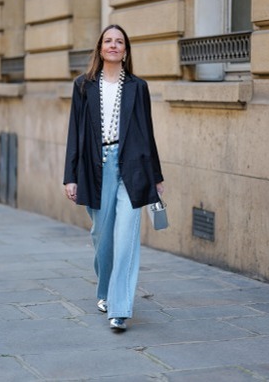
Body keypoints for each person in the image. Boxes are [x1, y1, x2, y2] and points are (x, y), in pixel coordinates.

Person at [63, 24, 164, 332]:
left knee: (125, 240)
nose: (114, 45)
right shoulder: (83, 85)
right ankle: (105, 290)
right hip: (96, 169)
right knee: (102, 237)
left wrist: (156, 176)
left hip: (132, 168)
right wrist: (70, 176)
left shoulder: (138, 87)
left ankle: (119, 309)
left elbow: (147, 132)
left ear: (126, 50)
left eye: (119, 41)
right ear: (100, 47)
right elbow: (74, 133)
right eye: (108, 40)